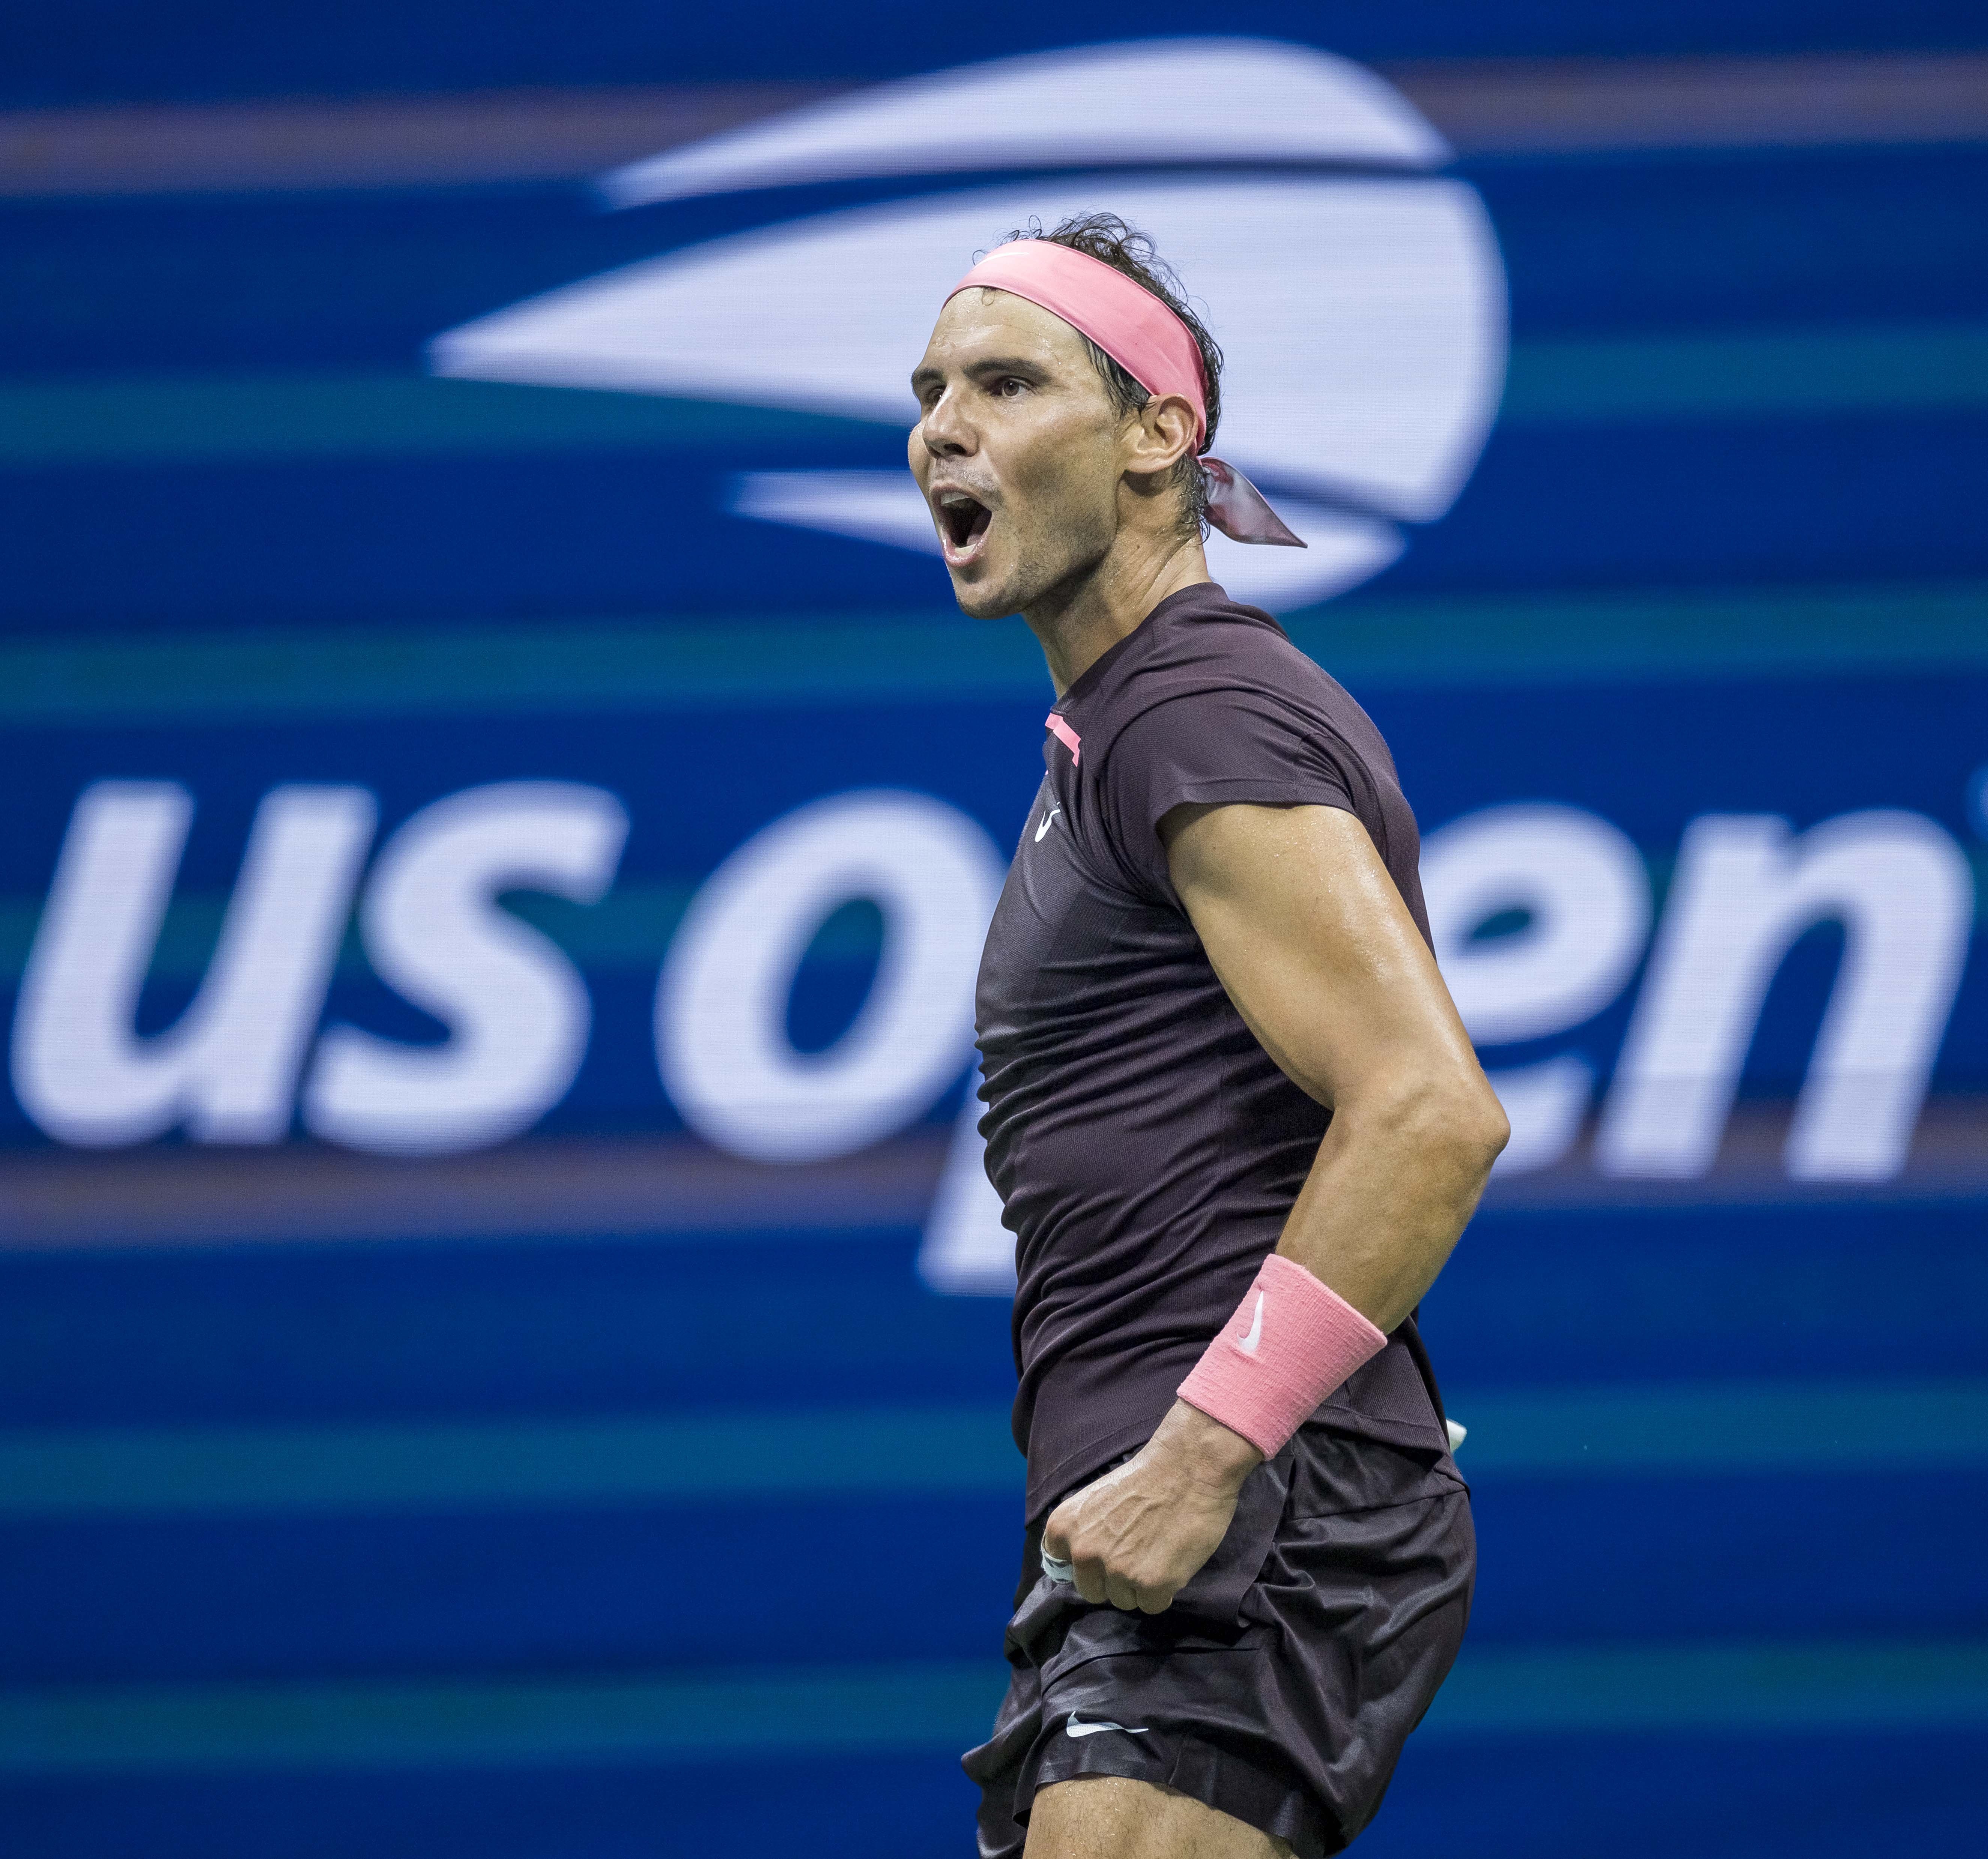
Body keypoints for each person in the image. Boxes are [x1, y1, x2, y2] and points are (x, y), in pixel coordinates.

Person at [907, 212, 1510, 1859]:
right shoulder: (1120, 731)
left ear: (1158, 438)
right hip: (1181, 1517)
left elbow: (1426, 1110)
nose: (941, 431)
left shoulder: (1191, 712)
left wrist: (1200, 1456)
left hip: (1248, 1511)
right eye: (929, 391)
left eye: (1007, 383)